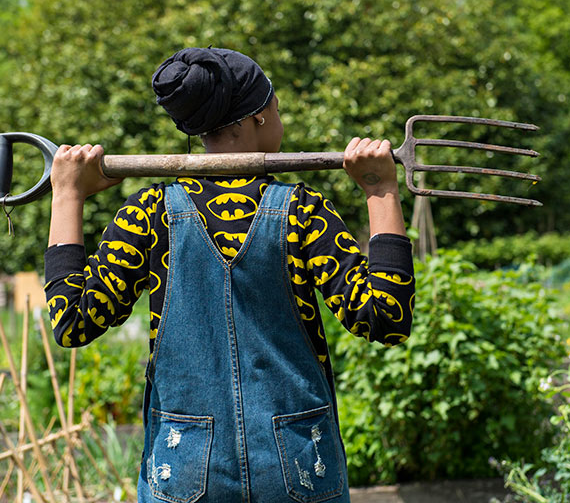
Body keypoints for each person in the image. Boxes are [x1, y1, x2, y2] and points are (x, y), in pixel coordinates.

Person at [43, 47, 414, 502]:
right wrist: (380, 189)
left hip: (183, 466)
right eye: (277, 106)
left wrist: (67, 195)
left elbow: (72, 322)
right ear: (258, 116)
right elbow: (386, 318)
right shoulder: (303, 212)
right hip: (299, 464)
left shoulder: (147, 215)